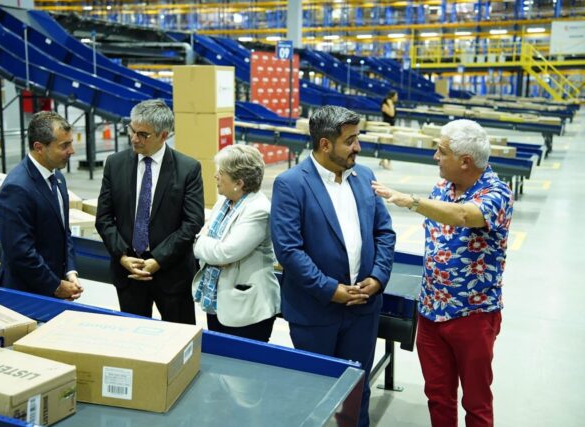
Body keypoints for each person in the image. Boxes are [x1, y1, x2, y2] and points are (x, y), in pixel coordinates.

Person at [373, 119, 513, 427]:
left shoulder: (497, 193)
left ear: (465, 161)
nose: (435, 156)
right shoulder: (441, 188)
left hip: (472, 314)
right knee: (438, 396)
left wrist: (410, 201)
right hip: (431, 310)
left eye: (442, 151)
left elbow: (464, 215)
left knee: (476, 401)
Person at [270, 105, 396, 427]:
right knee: (316, 394)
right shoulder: (291, 184)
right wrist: (330, 289)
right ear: (325, 144)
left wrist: (378, 277)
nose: (358, 147)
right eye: (350, 141)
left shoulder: (364, 177)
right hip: (315, 312)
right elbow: (289, 250)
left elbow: (384, 232)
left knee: (357, 391)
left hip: (363, 309)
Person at [95, 99, 204, 324]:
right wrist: (123, 257)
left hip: (172, 275)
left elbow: (192, 223)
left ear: (164, 135)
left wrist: (158, 260)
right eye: (132, 131)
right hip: (129, 272)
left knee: (178, 338)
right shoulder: (115, 164)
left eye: (143, 134)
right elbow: (104, 218)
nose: (134, 139)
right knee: (134, 339)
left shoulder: (187, 169)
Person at [192, 144, 280, 342]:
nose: (215, 176)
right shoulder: (224, 202)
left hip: (247, 308)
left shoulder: (258, 210)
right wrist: (209, 247)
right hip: (217, 301)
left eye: (221, 172)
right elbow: (211, 244)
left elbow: (225, 253)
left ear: (239, 183)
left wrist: (198, 243)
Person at [0, 111, 83, 300]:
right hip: (25, 294)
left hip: (54, 286)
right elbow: (21, 252)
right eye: (64, 145)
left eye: (71, 143)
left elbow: (64, 231)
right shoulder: (16, 188)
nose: (71, 151)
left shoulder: (57, 178)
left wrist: (70, 272)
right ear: (39, 147)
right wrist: (56, 286)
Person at [379, 89, 398, 170]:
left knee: (390, 144)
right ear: (391, 97)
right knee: (385, 144)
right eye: (396, 96)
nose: (397, 97)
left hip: (392, 127)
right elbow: (391, 114)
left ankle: (384, 160)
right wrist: (390, 104)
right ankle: (384, 161)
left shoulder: (392, 104)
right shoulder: (385, 105)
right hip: (386, 127)